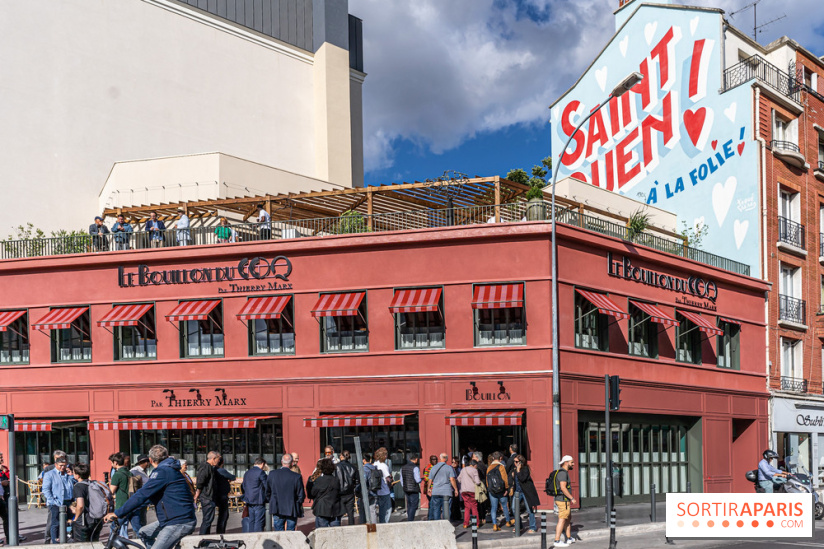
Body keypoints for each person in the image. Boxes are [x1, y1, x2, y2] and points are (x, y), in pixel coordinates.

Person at [103, 445, 196, 549]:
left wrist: (117, 513)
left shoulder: (162, 471)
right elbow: (148, 497)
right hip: (171, 519)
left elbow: (142, 494)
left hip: (178, 522)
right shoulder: (170, 469)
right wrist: (127, 511)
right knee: (143, 532)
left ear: (150, 460)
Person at [266, 454, 304, 531]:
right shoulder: (296, 476)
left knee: (279, 532)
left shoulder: (272, 474)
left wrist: (272, 501)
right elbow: (301, 495)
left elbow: (267, 491)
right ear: (292, 463)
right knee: (290, 533)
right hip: (291, 508)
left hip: (277, 507)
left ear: (281, 462)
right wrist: (297, 503)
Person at [43, 456, 75, 543]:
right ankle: (55, 541)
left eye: (64, 465)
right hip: (56, 502)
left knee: (70, 522)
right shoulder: (50, 474)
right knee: (56, 523)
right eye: (60, 465)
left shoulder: (68, 474)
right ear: (56, 465)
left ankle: (67, 538)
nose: (63, 467)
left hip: (69, 501)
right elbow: (46, 490)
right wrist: (53, 501)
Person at [71, 463, 106, 542]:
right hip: (97, 520)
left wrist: (75, 519)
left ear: (78, 475)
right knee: (94, 543)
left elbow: (80, 505)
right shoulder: (94, 484)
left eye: (74, 473)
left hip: (84, 521)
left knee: (81, 545)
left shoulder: (78, 486)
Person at [309, 458, 341, 528]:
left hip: (322, 508)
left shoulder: (319, 480)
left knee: (321, 531)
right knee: (335, 532)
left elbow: (313, 493)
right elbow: (339, 492)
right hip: (334, 508)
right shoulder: (336, 480)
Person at [553, 455, 577, 548]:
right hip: (562, 500)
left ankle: (568, 537)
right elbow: (563, 487)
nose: (573, 464)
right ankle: (557, 540)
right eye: (572, 462)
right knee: (562, 519)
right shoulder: (563, 473)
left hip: (563, 500)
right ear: (566, 462)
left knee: (567, 519)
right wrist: (572, 498)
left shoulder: (563, 472)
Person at [512, 455, 539, 534]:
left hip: (526, 492)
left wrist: (518, 470)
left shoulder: (525, 469)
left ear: (521, 462)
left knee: (529, 509)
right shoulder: (514, 470)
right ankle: (519, 526)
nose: (515, 463)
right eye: (514, 461)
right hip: (517, 492)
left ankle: (533, 527)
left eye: (516, 461)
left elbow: (523, 479)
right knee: (514, 508)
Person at [426, 453, 458, 522]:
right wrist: (455, 489)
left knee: (436, 510)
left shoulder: (433, 467)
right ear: (447, 459)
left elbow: (430, 479)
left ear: (440, 458)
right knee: (446, 510)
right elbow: (452, 479)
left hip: (436, 491)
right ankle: (445, 526)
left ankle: (437, 526)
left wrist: (428, 488)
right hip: (446, 492)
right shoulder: (449, 468)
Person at [195, 451, 220, 535]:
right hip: (207, 497)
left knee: (208, 519)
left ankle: (205, 537)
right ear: (214, 458)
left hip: (209, 496)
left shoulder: (209, 467)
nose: (218, 461)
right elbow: (200, 482)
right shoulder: (206, 467)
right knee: (207, 519)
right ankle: (202, 537)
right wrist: (197, 493)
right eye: (218, 459)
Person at [109, 452, 133, 539]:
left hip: (121, 504)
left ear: (115, 463)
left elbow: (111, 491)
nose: (111, 464)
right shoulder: (130, 473)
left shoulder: (117, 475)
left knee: (114, 528)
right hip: (131, 503)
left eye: (112, 462)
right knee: (127, 527)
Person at [241, 457, 268, 533]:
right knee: (259, 522)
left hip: (249, 500)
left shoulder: (247, 472)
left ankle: (251, 537)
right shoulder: (261, 472)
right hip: (259, 500)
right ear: (262, 464)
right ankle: (257, 539)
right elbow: (266, 486)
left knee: (251, 521)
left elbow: (243, 486)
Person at [486, 451, 511, 532]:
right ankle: (508, 521)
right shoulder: (501, 467)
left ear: (493, 458)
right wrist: (506, 488)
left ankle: (495, 525)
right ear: (500, 458)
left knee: (493, 507)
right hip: (501, 490)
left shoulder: (489, 467)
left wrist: (489, 489)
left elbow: (487, 481)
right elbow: (505, 479)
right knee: (504, 506)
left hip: (492, 491)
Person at [128, 454, 151, 536]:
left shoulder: (143, 471)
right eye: (148, 461)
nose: (149, 463)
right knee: (138, 521)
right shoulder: (135, 471)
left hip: (143, 500)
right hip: (138, 500)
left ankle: (142, 536)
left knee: (143, 520)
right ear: (144, 462)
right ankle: (139, 537)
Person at [335, 450, 358, 525]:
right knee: (350, 513)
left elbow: (335, 479)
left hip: (339, 493)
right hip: (350, 492)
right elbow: (357, 481)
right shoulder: (353, 467)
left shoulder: (337, 466)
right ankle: (351, 527)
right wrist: (352, 485)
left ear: (341, 456)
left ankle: (338, 527)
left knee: (338, 513)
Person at [458, 458, 483, 529]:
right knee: (474, 507)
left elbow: (459, 479)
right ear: (474, 465)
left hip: (464, 490)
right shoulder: (475, 470)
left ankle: (465, 523)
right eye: (476, 466)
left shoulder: (463, 469)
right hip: (472, 491)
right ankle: (476, 523)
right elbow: (477, 482)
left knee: (467, 507)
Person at [214, 457, 235, 534]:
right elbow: (233, 477)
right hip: (222, 495)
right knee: (224, 515)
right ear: (222, 462)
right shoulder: (221, 470)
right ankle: (220, 532)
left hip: (216, 494)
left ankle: (219, 531)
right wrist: (227, 479)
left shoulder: (214, 470)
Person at [373, 448, 393, 524]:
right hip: (384, 491)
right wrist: (391, 483)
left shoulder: (375, 464)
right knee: (387, 510)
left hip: (376, 491)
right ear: (384, 456)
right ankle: (384, 524)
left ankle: (381, 523)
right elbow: (388, 478)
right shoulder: (383, 466)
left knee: (380, 509)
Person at [400, 454, 422, 522]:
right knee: (414, 505)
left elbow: (401, 479)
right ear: (416, 459)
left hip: (406, 488)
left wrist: (404, 486)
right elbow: (417, 480)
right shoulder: (415, 468)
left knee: (409, 504)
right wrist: (422, 479)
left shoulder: (402, 468)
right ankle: (410, 519)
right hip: (413, 489)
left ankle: (409, 518)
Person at [359, 453, 378, 524]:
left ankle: (362, 526)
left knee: (362, 510)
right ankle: (374, 526)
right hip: (374, 491)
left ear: (364, 460)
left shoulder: (364, 469)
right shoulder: (374, 467)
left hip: (366, 493)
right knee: (372, 510)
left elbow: (364, 481)